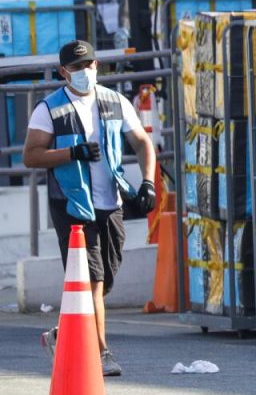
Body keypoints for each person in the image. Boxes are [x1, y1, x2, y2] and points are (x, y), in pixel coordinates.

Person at [23, 40, 157, 377]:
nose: (85, 72)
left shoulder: (114, 101)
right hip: (72, 205)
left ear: (98, 66)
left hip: (110, 203)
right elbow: (31, 155)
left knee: (105, 278)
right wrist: (73, 153)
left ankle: (61, 334)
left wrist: (148, 181)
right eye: (77, 67)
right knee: (93, 282)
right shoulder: (50, 108)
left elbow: (141, 141)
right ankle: (102, 354)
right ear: (63, 72)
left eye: (90, 65)